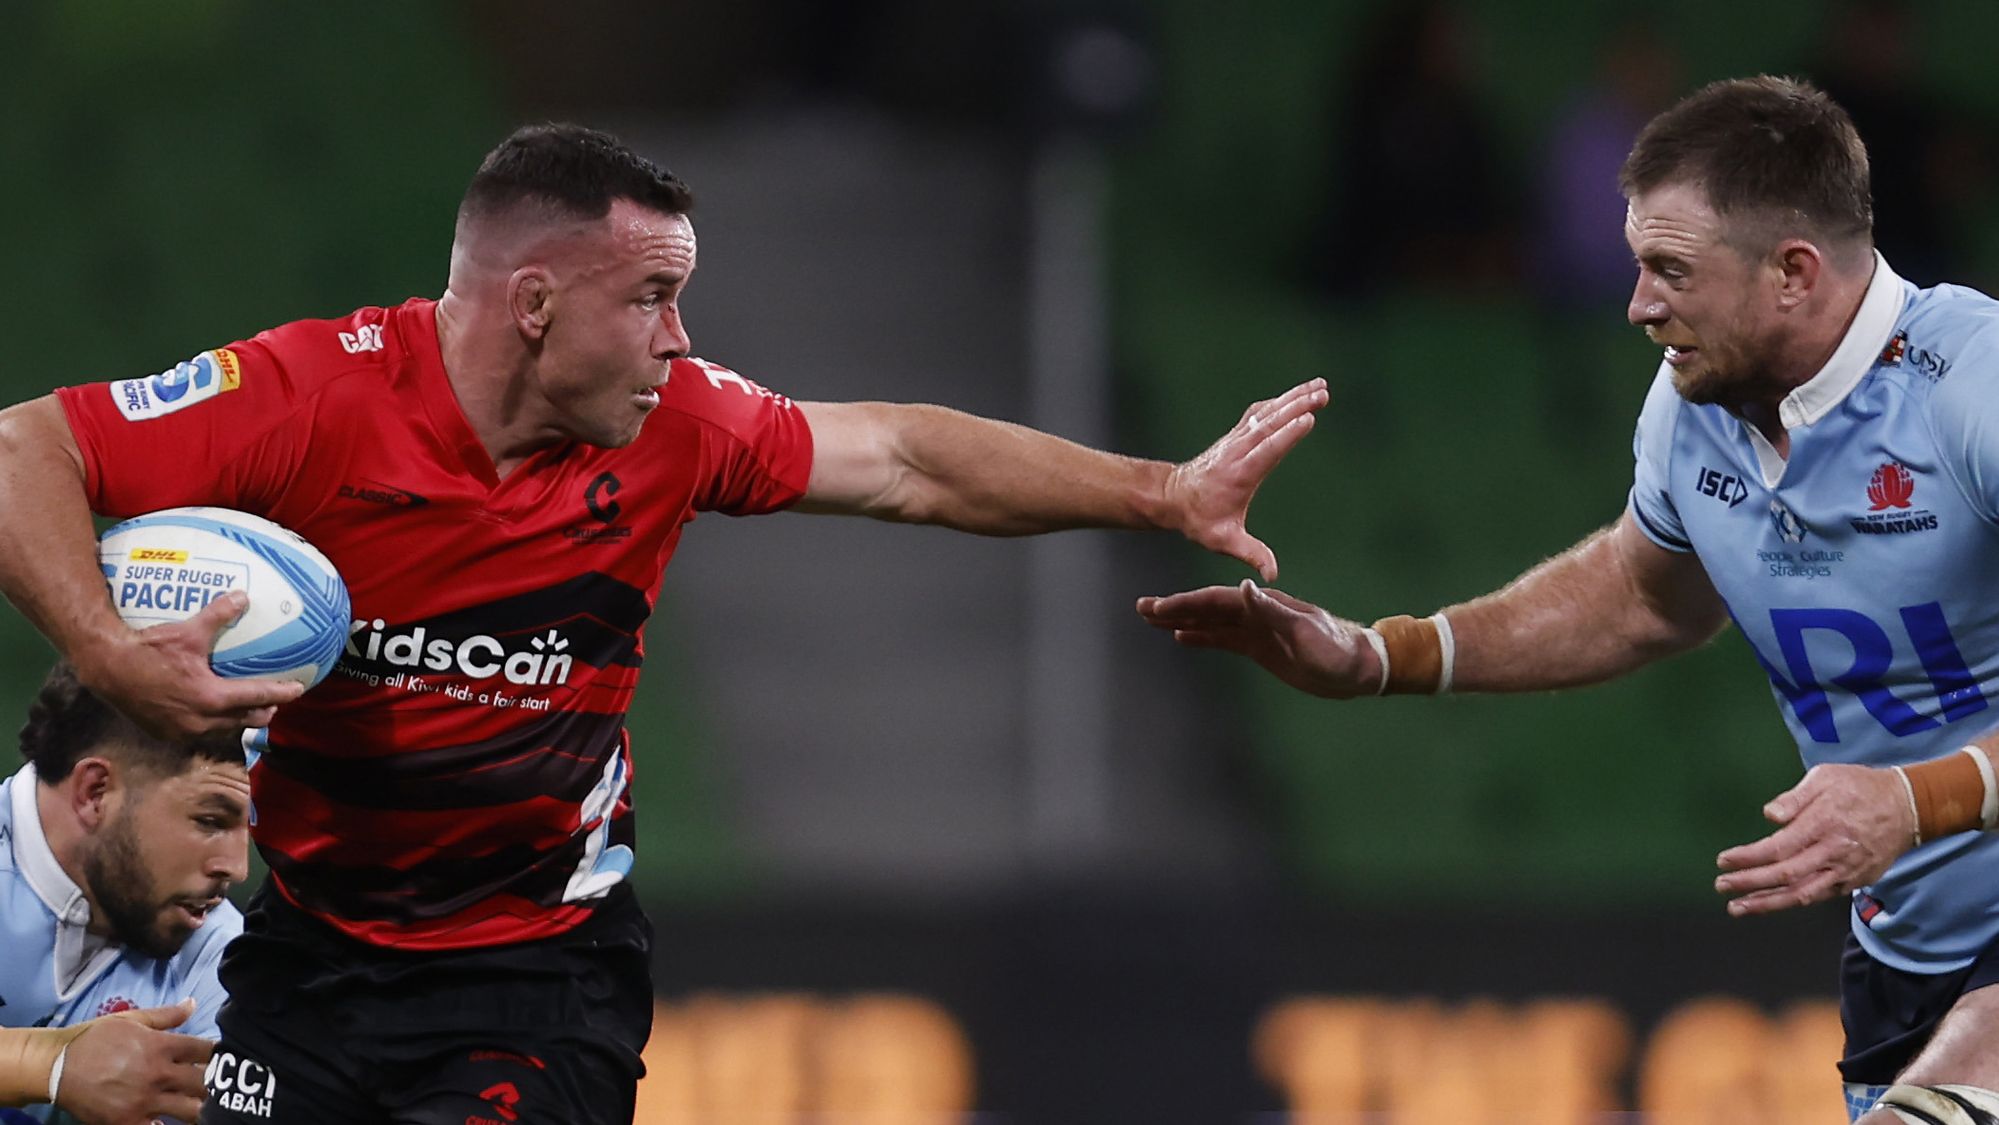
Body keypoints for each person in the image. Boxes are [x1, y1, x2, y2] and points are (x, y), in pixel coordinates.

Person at [0, 123, 1325, 1124]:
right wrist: (115, 656)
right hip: (304, 958)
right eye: (649, 297)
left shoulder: (679, 428)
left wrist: (1162, 489)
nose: (679, 339)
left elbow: (907, 459)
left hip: (536, 977)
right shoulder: (306, 399)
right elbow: (24, 451)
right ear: (533, 305)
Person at [1140, 75, 1999, 1125]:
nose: (1637, 304)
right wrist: (1382, 656)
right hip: (1912, 948)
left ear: (1792, 272)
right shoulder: (1697, 406)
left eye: (1668, 270)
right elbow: (1641, 596)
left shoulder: (1972, 385)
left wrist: (1919, 798)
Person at [0, 662, 248, 1125]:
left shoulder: (226, 955)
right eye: (210, 821)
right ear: (96, 792)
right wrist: (48, 1065)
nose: (236, 867)